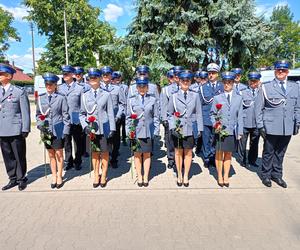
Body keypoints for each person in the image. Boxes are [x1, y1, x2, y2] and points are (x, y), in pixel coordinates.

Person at [255, 60, 300, 188]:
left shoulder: (295, 87)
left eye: (284, 70)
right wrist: (260, 126)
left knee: (281, 152)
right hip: (270, 126)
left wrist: (297, 123)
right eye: (278, 70)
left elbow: (297, 107)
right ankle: (266, 176)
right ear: (275, 71)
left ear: (288, 72)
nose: (281, 72)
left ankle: (277, 175)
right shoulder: (266, 87)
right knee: (268, 152)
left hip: (287, 126)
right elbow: (258, 108)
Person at [80, 68, 116, 188]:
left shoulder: (106, 94)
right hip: (92, 130)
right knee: (95, 153)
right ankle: (96, 174)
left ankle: (104, 174)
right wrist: (85, 126)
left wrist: (112, 129)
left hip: (104, 128)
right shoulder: (84, 96)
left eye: (95, 77)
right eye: (91, 78)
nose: (93, 79)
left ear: (100, 79)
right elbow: (82, 114)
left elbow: (110, 113)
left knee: (105, 153)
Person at [168, 70, 203, 187]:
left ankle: (186, 175)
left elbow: (198, 113)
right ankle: (179, 174)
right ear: (179, 81)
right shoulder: (174, 96)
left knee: (188, 152)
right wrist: (173, 127)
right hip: (178, 128)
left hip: (190, 128)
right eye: (183, 80)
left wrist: (200, 129)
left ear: (190, 81)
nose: (185, 82)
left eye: (188, 80)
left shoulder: (195, 95)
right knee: (178, 152)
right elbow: (170, 114)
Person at [36, 73, 70, 189]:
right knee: (51, 154)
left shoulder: (61, 98)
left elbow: (65, 116)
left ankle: (60, 176)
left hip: (58, 129)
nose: (48, 86)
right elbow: (38, 114)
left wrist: (66, 131)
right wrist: (40, 125)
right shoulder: (40, 98)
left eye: (51, 84)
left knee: (59, 154)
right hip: (46, 130)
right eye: (47, 84)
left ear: (56, 85)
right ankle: (54, 176)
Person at [0, 63, 30, 191]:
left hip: (16, 129)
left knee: (19, 155)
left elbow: (25, 111)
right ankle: (12, 178)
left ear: (8, 76)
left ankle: (21, 178)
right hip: (2, 129)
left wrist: (25, 128)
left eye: (1, 74)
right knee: (7, 156)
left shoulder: (19, 92)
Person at [211, 71, 243, 188]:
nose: (227, 84)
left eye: (229, 82)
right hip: (220, 131)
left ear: (233, 83)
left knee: (228, 154)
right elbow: (212, 114)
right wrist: (216, 124)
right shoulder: (217, 98)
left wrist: (240, 131)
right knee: (219, 154)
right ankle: (219, 175)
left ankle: (226, 176)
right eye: (225, 82)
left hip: (231, 131)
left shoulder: (239, 98)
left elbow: (240, 116)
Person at [126, 76, 160, 187]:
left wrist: (156, 131)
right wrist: (128, 132)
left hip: (148, 131)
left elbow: (156, 117)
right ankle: (139, 176)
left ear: (147, 88)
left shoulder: (152, 99)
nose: (141, 88)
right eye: (139, 86)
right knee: (137, 155)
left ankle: (146, 176)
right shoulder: (131, 100)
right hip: (135, 131)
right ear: (136, 87)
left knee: (146, 154)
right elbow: (128, 117)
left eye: (144, 86)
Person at [58, 65, 84, 170]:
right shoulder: (60, 88)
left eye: (67, 74)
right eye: (63, 74)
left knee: (78, 142)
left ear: (72, 75)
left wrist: (82, 119)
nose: (64, 75)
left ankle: (78, 161)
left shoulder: (80, 88)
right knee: (66, 142)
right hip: (64, 120)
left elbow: (82, 105)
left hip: (76, 119)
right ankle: (69, 161)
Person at [100, 66, 125, 169]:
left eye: (108, 74)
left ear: (111, 76)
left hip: (115, 119)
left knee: (115, 140)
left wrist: (118, 116)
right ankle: (105, 159)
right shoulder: (98, 88)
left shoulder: (117, 89)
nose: (106, 76)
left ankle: (114, 159)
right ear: (101, 76)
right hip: (102, 120)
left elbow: (122, 104)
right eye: (104, 75)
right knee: (104, 141)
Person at [199, 63, 224, 168]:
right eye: (209, 73)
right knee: (206, 139)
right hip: (206, 117)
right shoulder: (203, 87)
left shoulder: (222, 86)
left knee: (215, 138)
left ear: (217, 74)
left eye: (213, 73)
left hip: (218, 118)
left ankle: (214, 157)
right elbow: (199, 104)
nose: (211, 75)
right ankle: (206, 158)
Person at [237, 71, 261, 168]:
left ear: (259, 81)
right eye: (251, 81)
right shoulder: (242, 92)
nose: (253, 83)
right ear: (248, 81)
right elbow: (238, 108)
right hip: (245, 122)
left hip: (256, 123)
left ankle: (252, 161)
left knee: (254, 143)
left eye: (255, 81)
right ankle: (242, 160)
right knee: (242, 143)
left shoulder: (262, 92)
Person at [160, 69, 180, 170]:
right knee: (170, 140)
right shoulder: (166, 90)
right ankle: (171, 158)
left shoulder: (184, 87)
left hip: (181, 119)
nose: (174, 79)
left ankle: (179, 159)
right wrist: (164, 119)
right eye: (172, 77)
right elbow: (163, 105)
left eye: (176, 76)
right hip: (170, 118)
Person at [74, 66, 90, 158]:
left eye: (79, 74)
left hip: (84, 112)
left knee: (84, 133)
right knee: (76, 135)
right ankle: (77, 153)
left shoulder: (87, 86)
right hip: (75, 113)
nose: (78, 75)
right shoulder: (72, 86)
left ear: (82, 75)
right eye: (76, 74)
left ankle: (85, 151)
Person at [191, 70, 208, 154]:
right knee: (195, 129)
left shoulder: (207, 87)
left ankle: (200, 148)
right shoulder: (192, 87)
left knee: (202, 131)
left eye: (204, 78)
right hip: (195, 111)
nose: (201, 79)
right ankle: (195, 144)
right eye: (199, 78)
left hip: (203, 111)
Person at [112, 71, 128, 146]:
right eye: (116, 78)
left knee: (124, 126)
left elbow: (127, 99)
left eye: (119, 77)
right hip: (115, 111)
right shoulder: (111, 87)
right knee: (116, 129)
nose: (117, 79)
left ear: (121, 78)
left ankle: (124, 138)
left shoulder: (125, 87)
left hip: (123, 110)